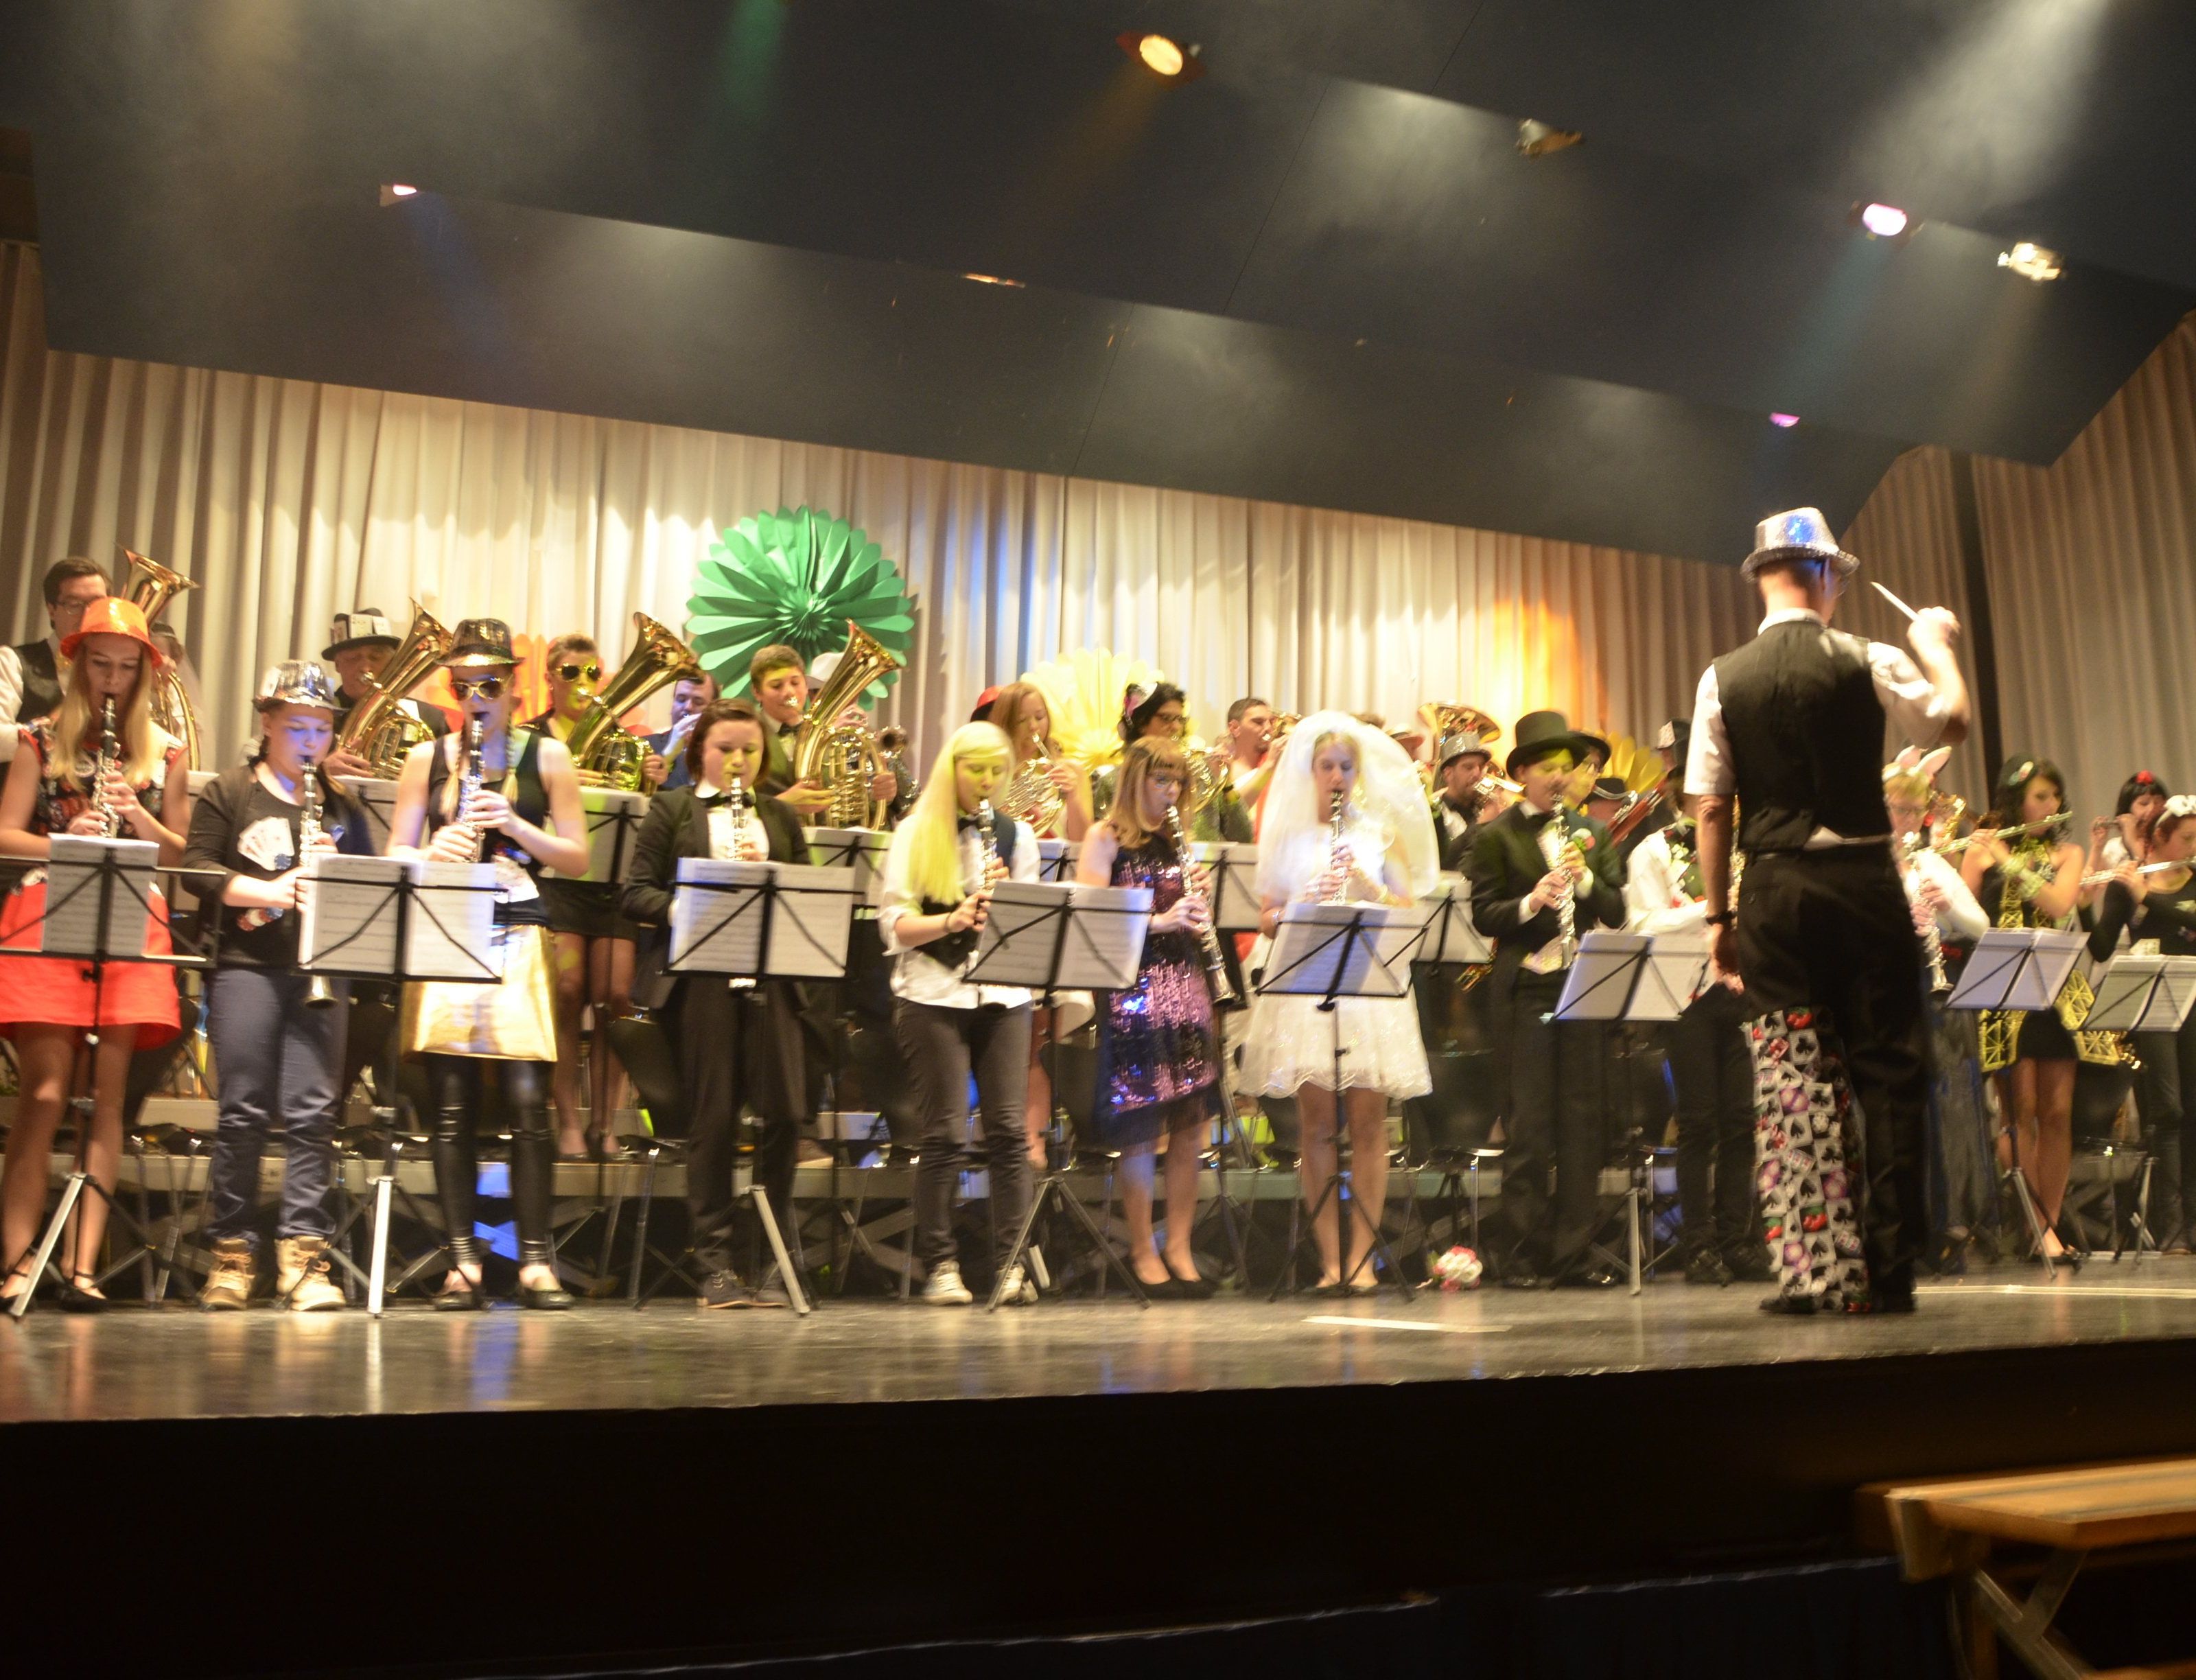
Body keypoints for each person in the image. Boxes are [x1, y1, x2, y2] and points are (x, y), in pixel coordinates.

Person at [1687, 507, 1970, 1314]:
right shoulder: (1870, 656)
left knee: (1793, 1075)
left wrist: (1719, 920)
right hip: (1859, 882)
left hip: (1772, 890)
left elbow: (1710, 807)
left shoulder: (1720, 675)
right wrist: (1936, 648)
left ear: (1761, 577)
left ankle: (1811, 1271)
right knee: (1886, 1068)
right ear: (1821, 576)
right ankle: (1886, 1269)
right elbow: (1950, 718)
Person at [385, 618, 589, 1310]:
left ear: (513, 688)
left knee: (530, 1102)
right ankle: (461, 1263)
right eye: (462, 685)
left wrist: (514, 824)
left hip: (520, 924)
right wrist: (434, 848)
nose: (475, 698)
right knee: (450, 1105)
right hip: (449, 924)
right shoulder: (427, 758)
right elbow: (395, 855)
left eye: (489, 686)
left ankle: (535, 1261)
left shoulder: (547, 756)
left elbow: (577, 857)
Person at [0, 595, 189, 1309]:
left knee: (104, 1102)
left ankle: (81, 1269)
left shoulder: (165, 750)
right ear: (78, 666)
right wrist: (69, 844)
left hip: (133, 919)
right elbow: (5, 833)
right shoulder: (39, 739)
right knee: (44, 1095)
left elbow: (179, 854)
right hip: (47, 911)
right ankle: (16, 1262)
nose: (113, 678)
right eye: (101, 664)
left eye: (126, 666)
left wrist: (135, 817)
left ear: (144, 673)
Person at [185, 662, 375, 1311]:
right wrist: (271, 889)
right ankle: (233, 1254)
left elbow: (369, 893)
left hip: (320, 969)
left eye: (320, 729)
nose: (309, 741)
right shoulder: (232, 791)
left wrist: (337, 867)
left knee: (313, 1113)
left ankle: (304, 1256)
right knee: (241, 1109)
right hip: (247, 964)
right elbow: (197, 869)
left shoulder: (343, 805)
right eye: (296, 726)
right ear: (267, 724)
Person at [1239, 712, 1438, 1292]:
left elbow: (1408, 910)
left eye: (1345, 767)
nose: (1336, 776)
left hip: (1367, 989)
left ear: (1358, 772)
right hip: (1309, 984)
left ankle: (1364, 1260)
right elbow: (1267, 920)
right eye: (1326, 766)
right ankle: (1330, 1259)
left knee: (1370, 1124)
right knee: (1317, 1127)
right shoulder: (1291, 837)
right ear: (1312, 771)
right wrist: (1305, 901)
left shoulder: (1382, 833)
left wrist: (1368, 888)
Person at [622, 699, 808, 1307]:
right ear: (702, 748)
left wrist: (771, 874)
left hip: (771, 978)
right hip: (700, 980)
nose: (738, 761)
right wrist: (688, 903)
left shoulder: (779, 817)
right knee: (715, 1118)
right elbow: (635, 892)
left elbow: (809, 897)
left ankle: (773, 1256)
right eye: (726, 749)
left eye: (750, 751)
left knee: (783, 1116)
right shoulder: (673, 808)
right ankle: (716, 1264)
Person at [876, 722, 1040, 1305]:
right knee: (944, 1132)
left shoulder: (1016, 837)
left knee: (1008, 1133)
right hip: (931, 991)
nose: (988, 781)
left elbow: (1032, 927)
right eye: (977, 770)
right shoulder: (916, 832)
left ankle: (1010, 1265)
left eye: (997, 771)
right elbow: (893, 927)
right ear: (953, 769)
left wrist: (1005, 909)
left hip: (1003, 995)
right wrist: (953, 918)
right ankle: (941, 1266)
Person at [1467, 709, 1627, 1289]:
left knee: (1583, 1124)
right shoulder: (1496, 836)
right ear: (1524, 773)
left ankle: (1573, 1254)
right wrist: (1534, 901)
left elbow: (1616, 909)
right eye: (1547, 769)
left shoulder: (1595, 833)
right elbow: (1484, 911)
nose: (1559, 779)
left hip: (1582, 983)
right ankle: (1525, 1254)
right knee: (1530, 1125)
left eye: (1567, 768)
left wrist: (1584, 881)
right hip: (1526, 986)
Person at [1075, 738, 1224, 1298]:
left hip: (1187, 988)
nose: (1172, 792)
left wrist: (1196, 901)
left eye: (1179, 782)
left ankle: (1180, 1247)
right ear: (1135, 779)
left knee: (1190, 1126)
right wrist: (1160, 921)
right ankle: (1142, 1250)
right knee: (1142, 1129)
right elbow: (1092, 919)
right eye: (1162, 780)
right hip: (1134, 993)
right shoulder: (1106, 838)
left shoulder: (1178, 843)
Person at [1961, 756, 2104, 1261]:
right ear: (2015, 800)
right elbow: (1961, 920)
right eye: (2039, 796)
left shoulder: (2068, 852)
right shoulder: (1978, 853)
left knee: (2058, 1112)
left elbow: (2059, 905)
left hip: (2054, 989)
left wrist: (2006, 859)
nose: (2049, 805)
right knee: (2018, 1112)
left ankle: (2049, 1224)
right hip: (2003, 993)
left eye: (2053, 796)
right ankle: (2035, 1226)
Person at [1624, 775, 1764, 1285]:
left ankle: (1737, 1240)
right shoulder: (1652, 852)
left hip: (1739, 992)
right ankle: (1699, 1245)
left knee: (1742, 1122)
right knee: (1699, 1123)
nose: (1719, 803)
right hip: (1685, 997)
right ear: (1680, 798)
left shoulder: (1741, 849)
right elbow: (1644, 923)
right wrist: (1709, 909)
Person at [520, 633, 641, 1158]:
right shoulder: (530, 740)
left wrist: (649, 782)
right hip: (556, 880)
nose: (583, 685)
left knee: (615, 998)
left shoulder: (625, 741)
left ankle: (606, 1122)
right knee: (568, 992)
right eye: (571, 674)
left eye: (593, 674)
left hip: (613, 882)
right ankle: (567, 1119)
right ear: (550, 678)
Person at [1884, 748, 1991, 1270]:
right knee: (1891, 1112)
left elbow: (1984, 929)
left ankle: (1947, 1225)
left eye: (1911, 810)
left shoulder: (1931, 864)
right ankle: (1896, 1228)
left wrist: (1947, 910)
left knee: (1942, 1110)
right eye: (1895, 808)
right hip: (1881, 995)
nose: (1904, 819)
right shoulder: (1865, 867)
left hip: (1932, 994)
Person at [2088, 795, 2196, 1252]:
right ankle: (2171, 1227)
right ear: (2158, 840)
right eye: (2187, 839)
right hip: (2154, 1005)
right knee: (2169, 1112)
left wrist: (2146, 898)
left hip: (2193, 1002)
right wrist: (2088, 898)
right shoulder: (2128, 883)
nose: (2194, 846)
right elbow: (2100, 946)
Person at [0, 557, 110, 765]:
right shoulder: (12, 661)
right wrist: (54, 734)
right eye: (74, 604)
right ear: (51, 609)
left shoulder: (120, 671)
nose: (87, 615)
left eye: (97, 604)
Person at [320, 608, 449, 778]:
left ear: (392, 662)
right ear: (337, 664)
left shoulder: (429, 718)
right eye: (353, 658)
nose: (366, 668)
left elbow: (449, 780)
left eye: (376, 657)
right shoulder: (315, 717)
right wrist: (321, 771)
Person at [986, 681, 1092, 841]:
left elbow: (1083, 841)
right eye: (1022, 720)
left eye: (1040, 717)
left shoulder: (1073, 770)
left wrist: (1073, 796)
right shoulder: (993, 774)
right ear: (1005, 724)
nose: (1034, 726)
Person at [1430, 732, 1501, 873]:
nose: (1477, 774)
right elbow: (1443, 862)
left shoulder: (1483, 808)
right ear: (1448, 774)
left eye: (1481, 767)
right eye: (1468, 768)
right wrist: (1482, 826)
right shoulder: (1433, 812)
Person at [644, 670, 718, 792]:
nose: (688, 707)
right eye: (681, 699)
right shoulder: (647, 747)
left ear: (714, 709)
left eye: (698, 701)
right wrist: (667, 755)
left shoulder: (722, 753)